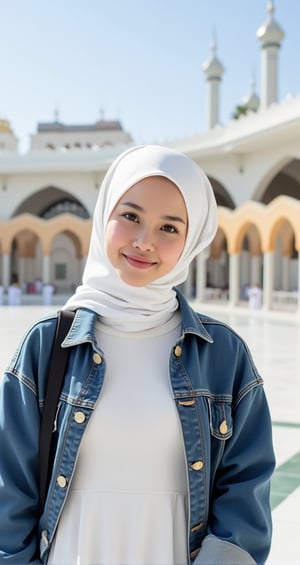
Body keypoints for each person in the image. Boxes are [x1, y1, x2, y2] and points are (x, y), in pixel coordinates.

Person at [0, 145, 275, 565]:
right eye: (130, 216)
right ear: (105, 215)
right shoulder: (47, 346)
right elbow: (10, 488)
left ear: (191, 239)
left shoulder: (224, 356)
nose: (144, 242)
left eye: (169, 228)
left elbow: (245, 490)